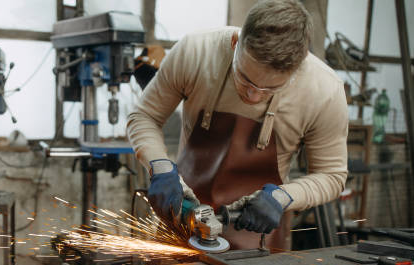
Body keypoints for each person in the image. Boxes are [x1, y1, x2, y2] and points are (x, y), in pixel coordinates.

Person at [127, 0, 348, 250]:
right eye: (245, 79)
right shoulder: (195, 52)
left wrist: (284, 196)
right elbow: (144, 116)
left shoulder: (325, 92)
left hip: (258, 235)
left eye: (269, 90)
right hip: (183, 220)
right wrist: (160, 165)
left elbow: (331, 175)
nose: (253, 96)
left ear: (298, 69)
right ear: (235, 43)